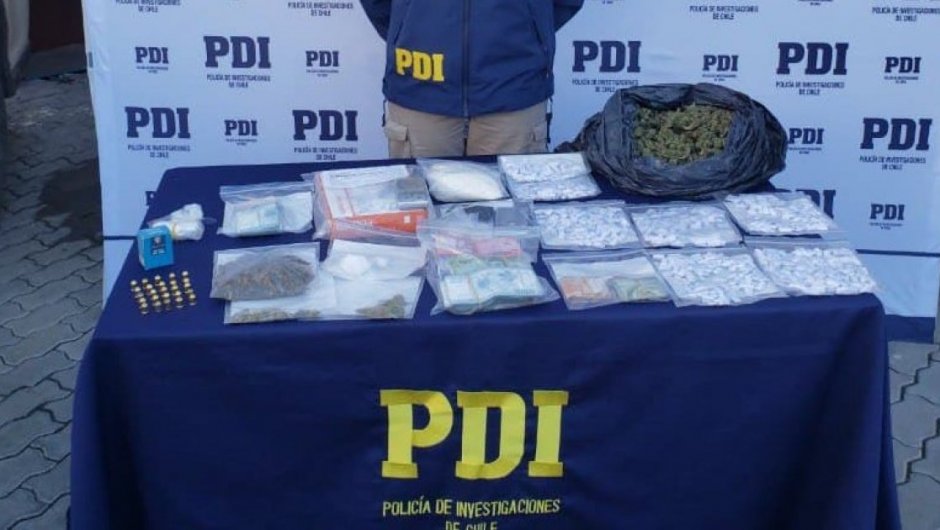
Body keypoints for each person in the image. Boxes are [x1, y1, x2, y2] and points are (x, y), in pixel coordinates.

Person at [360, 0, 584, 158]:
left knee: (510, 209)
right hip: (420, 87)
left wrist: (530, 30)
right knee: (421, 207)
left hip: (513, 87)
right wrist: (409, 29)